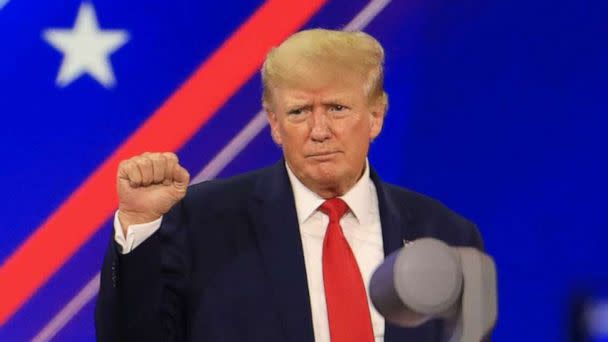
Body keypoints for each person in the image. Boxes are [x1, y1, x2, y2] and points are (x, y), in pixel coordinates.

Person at [95, 29, 483, 342]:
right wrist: (139, 224)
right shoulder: (202, 220)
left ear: (376, 116)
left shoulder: (444, 234)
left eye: (337, 108)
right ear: (275, 125)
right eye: (299, 111)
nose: (319, 131)